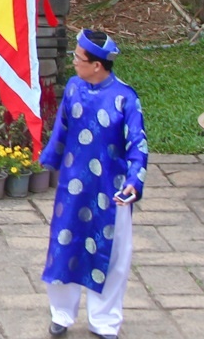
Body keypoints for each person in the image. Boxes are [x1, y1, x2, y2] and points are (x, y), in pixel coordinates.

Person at [41, 28, 147, 338]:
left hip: (111, 192)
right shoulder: (73, 88)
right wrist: (49, 159)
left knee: (112, 255)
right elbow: (61, 129)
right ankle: (61, 313)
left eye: (78, 57)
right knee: (64, 245)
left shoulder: (125, 99)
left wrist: (133, 182)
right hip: (73, 187)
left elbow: (137, 145)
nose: (73, 62)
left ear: (97, 65)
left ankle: (105, 320)